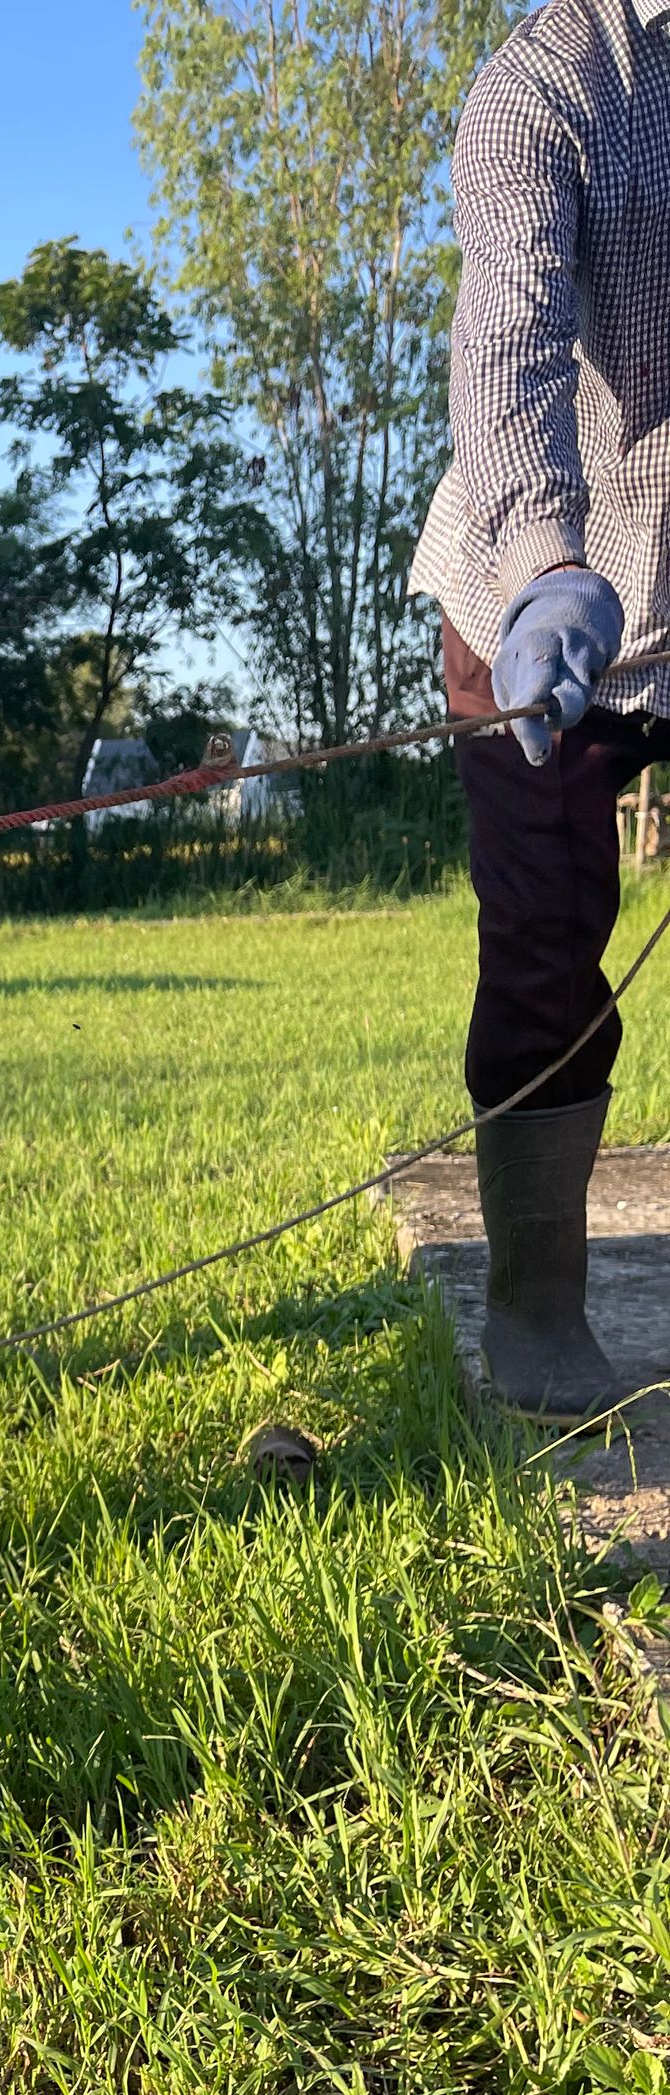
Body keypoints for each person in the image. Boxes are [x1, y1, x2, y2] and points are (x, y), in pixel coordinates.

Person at [410, 0, 670, 1417]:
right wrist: (549, 568)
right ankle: (537, 1304)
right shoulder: (541, 87)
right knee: (548, 949)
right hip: (537, 596)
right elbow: (509, 343)